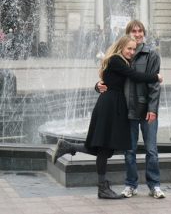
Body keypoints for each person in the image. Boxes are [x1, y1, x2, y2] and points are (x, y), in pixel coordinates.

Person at [52, 35, 163, 199]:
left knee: (106, 149)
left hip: (113, 104)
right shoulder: (116, 60)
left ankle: (69, 147)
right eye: (129, 48)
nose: (132, 52)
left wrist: (98, 85)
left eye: (134, 49)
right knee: (104, 149)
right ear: (121, 47)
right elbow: (135, 76)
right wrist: (156, 77)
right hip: (110, 105)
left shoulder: (118, 60)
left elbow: (107, 80)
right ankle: (102, 187)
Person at [96, 20, 165, 199]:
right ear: (128, 34)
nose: (137, 34)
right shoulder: (122, 56)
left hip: (146, 108)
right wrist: (98, 85)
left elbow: (154, 87)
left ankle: (154, 185)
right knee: (129, 150)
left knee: (151, 150)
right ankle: (131, 184)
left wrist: (153, 109)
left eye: (140, 30)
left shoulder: (151, 54)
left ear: (144, 33)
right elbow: (110, 78)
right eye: (133, 31)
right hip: (127, 109)